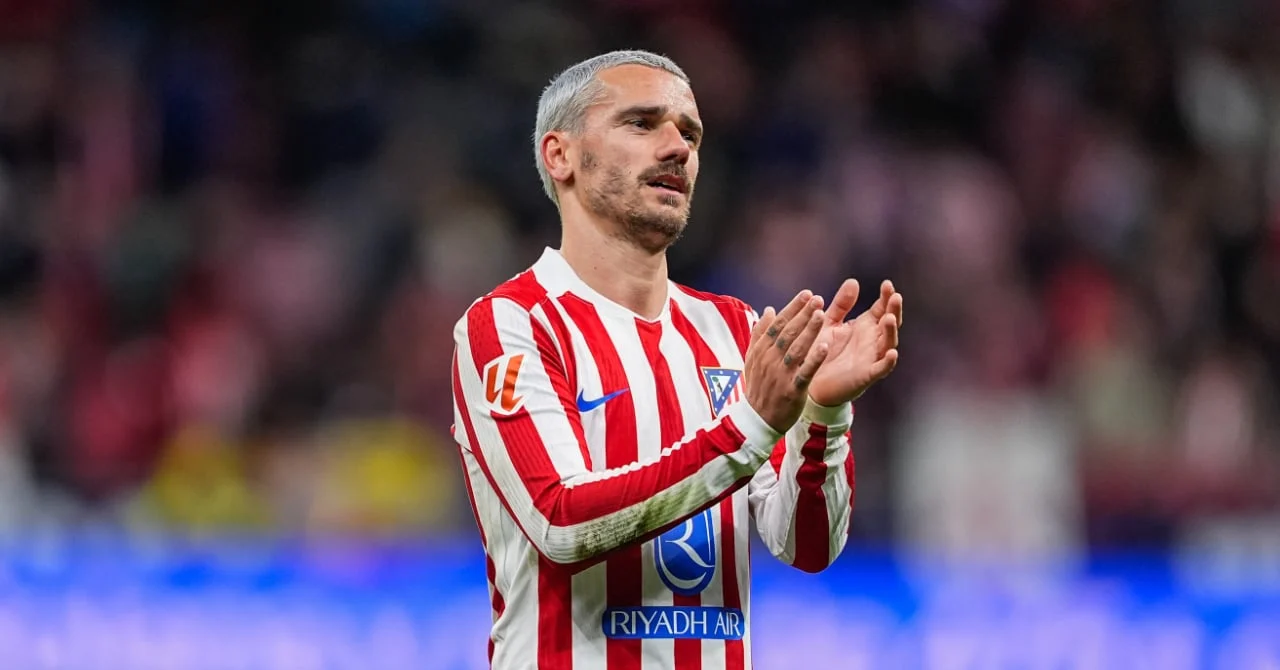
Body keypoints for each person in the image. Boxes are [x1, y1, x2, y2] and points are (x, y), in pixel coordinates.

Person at [450, 49, 903, 670]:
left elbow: (806, 547)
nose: (677, 148)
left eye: (690, 133)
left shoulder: (734, 329)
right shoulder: (511, 323)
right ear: (561, 156)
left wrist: (823, 415)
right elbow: (561, 523)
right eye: (642, 123)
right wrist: (750, 426)